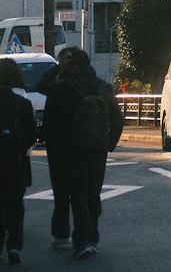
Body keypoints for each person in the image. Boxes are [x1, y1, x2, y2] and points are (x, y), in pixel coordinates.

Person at [42, 47, 124, 259]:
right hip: (97, 149)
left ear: (72, 65)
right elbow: (117, 119)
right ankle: (92, 236)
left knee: (78, 193)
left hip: (72, 149)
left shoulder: (62, 88)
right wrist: (108, 143)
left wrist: (58, 69)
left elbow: (45, 101)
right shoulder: (103, 87)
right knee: (93, 193)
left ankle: (83, 241)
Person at [0, 56, 37, 265]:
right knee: (15, 204)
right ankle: (14, 245)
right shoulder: (22, 103)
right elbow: (32, 135)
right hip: (15, 162)